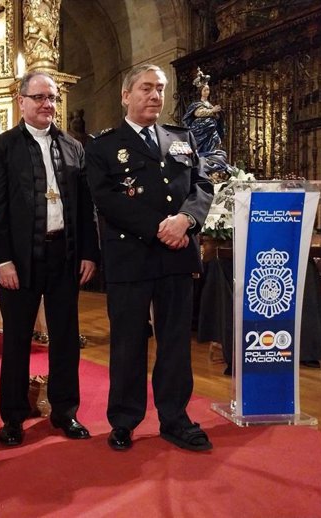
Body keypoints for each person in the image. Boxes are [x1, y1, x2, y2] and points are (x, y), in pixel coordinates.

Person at [85, 64, 214, 452]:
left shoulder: (182, 136)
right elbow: (105, 197)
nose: (155, 95)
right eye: (146, 88)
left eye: (160, 89)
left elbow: (203, 185)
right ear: (126, 95)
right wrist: (161, 226)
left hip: (176, 256)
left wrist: (186, 220)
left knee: (175, 340)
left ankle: (175, 418)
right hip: (132, 255)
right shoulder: (104, 145)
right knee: (128, 341)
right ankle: (124, 420)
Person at [0, 70, 99, 446]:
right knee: (16, 340)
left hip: (64, 253)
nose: (48, 104)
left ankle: (65, 412)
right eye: (39, 98)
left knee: (65, 337)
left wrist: (89, 253)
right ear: (21, 101)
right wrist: (2, 261)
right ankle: (13, 418)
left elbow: (85, 206)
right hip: (18, 259)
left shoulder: (73, 147)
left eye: (52, 98)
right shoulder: (1, 147)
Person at [182, 68, 223, 156]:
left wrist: (217, 113)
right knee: (202, 148)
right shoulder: (197, 104)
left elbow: (216, 116)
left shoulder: (209, 104)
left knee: (216, 142)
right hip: (201, 130)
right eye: (205, 90)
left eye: (208, 89)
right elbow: (198, 113)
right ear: (200, 92)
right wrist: (212, 111)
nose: (207, 92)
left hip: (211, 130)